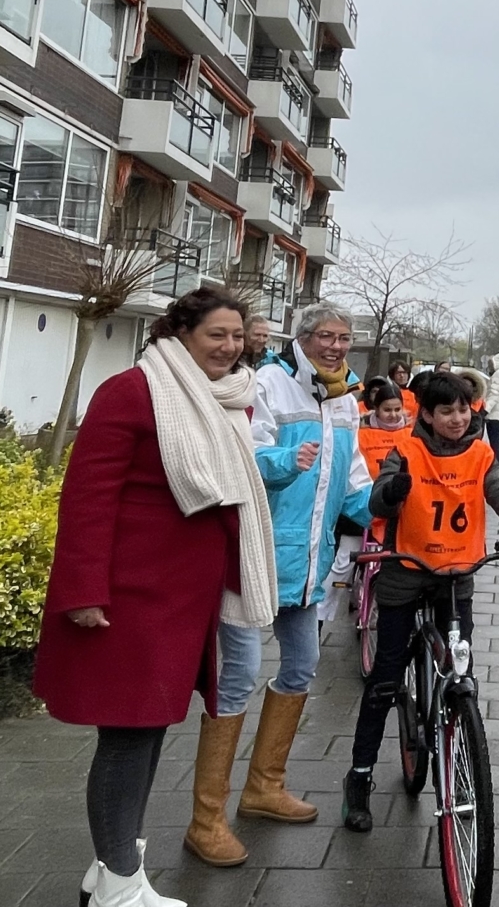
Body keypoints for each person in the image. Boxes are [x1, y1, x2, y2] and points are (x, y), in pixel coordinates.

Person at [33, 287, 276, 907]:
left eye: (236, 336)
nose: (229, 347)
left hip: (181, 603)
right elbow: (87, 502)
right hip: (129, 600)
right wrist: (84, 592)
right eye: (216, 335)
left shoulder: (226, 400)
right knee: (127, 737)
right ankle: (118, 883)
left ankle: (114, 866)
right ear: (182, 333)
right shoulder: (133, 391)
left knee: (150, 732)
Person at [180, 300, 364, 854]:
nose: (335, 346)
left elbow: (353, 475)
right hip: (256, 555)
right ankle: (205, 820)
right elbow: (242, 458)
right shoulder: (266, 384)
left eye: (343, 338)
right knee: (238, 673)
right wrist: (287, 460)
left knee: (302, 666)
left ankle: (264, 787)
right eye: (326, 336)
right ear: (303, 339)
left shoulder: (346, 398)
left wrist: (383, 508)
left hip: (309, 562)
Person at [341, 369, 499, 831]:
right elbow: (378, 500)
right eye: (445, 411)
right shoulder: (407, 450)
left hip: (457, 577)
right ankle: (359, 777)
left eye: (462, 409)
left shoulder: (480, 454)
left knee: (462, 671)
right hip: (407, 571)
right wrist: (391, 494)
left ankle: (459, 754)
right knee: (385, 678)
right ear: (429, 417)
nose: (456, 418)